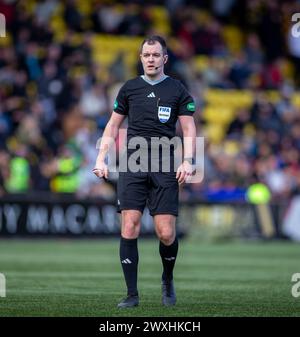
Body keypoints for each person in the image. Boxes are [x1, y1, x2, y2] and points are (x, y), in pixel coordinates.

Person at [93, 35, 196, 308]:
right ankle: (131, 294)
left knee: (166, 233)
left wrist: (189, 160)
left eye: (155, 55)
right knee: (129, 226)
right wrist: (101, 158)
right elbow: (113, 126)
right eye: (146, 55)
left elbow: (188, 128)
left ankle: (167, 278)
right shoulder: (129, 88)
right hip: (132, 164)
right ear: (141, 58)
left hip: (164, 165)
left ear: (165, 59)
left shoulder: (177, 89)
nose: (150, 59)